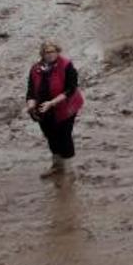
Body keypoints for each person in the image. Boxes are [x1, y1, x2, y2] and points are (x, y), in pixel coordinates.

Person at [26, 41, 84, 178]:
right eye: (47, 52)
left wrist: (52, 103)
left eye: (53, 51)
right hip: (44, 109)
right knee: (51, 136)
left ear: (57, 52)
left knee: (64, 137)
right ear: (42, 54)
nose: (50, 55)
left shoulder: (67, 65)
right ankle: (57, 166)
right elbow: (31, 91)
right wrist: (30, 105)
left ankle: (69, 171)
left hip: (65, 107)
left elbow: (71, 89)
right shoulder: (35, 69)